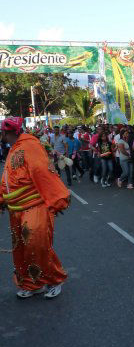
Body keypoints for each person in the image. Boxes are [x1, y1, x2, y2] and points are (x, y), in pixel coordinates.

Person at [0, 117, 69, 299]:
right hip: (15, 209)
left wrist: (56, 200)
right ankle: (33, 283)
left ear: (8, 133)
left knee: (37, 245)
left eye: (3, 133)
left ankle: (55, 279)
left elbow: (42, 172)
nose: (2, 136)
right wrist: (2, 200)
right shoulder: (13, 149)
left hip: (33, 206)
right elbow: (7, 181)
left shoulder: (30, 146)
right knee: (21, 249)